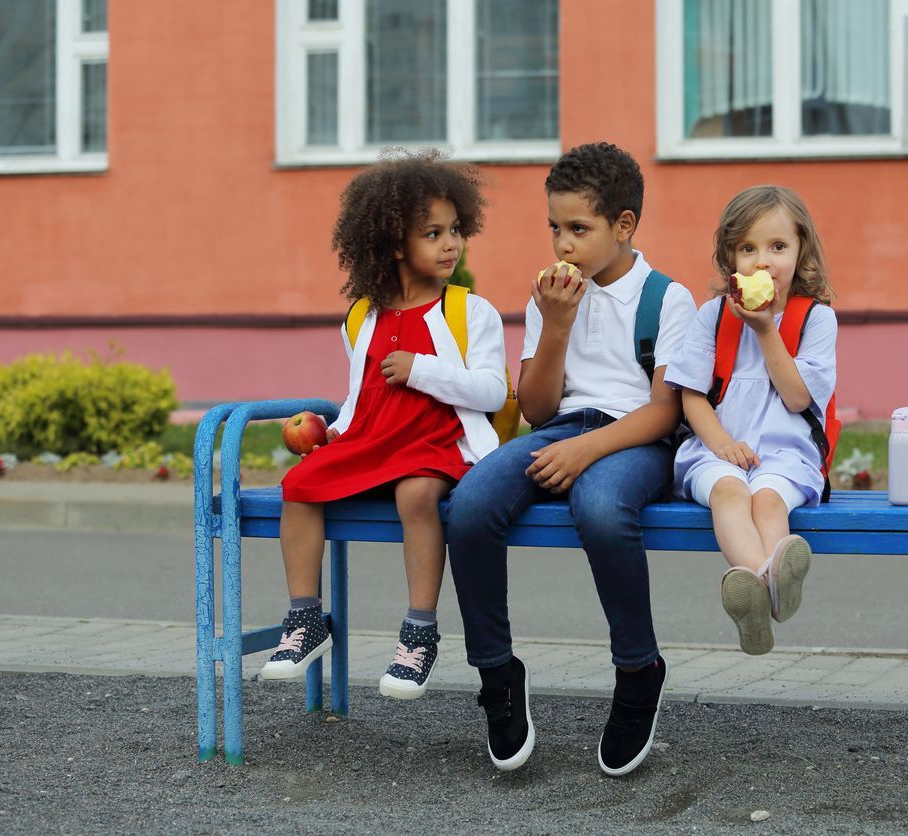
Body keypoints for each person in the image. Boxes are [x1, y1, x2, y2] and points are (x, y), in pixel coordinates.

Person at [446, 142, 697, 777]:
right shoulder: (548, 298)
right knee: (471, 504)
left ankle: (639, 669)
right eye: (554, 228)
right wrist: (555, 325)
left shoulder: (667, 300)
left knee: (602, 509)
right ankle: (497, 672)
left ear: (624, 226)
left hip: (634, 439)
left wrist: (586, 449)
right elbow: (534, 407)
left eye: (578, 229)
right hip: (558, 428)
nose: (563, 244)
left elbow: (666, 411)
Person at [258, 150, 507, 701]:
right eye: (433, 233)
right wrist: (331, 434)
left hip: (435, 443)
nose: (451, 244)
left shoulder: (470, 312)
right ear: (395, 244)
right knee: (299, 486)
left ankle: (420, 629)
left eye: (456, 230)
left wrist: (422, 370)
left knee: (417, 495)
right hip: (373, 441)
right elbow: (359, 398)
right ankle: (305, 620)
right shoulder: (362, 316)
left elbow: (491, 392)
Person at [664, 185, 837, 656]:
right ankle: (770, 590)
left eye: (778, 247)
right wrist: (720, 443)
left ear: (801, 249)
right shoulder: (713, 315)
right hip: (717, 448)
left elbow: (799, 398)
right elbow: (691, 396)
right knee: (729, 491)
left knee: (766, 500)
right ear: (730, 257)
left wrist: (765, 330)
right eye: (748, 249)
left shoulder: (816, 320)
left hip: (787, 451)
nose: (763, 262)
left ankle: (759, 596)